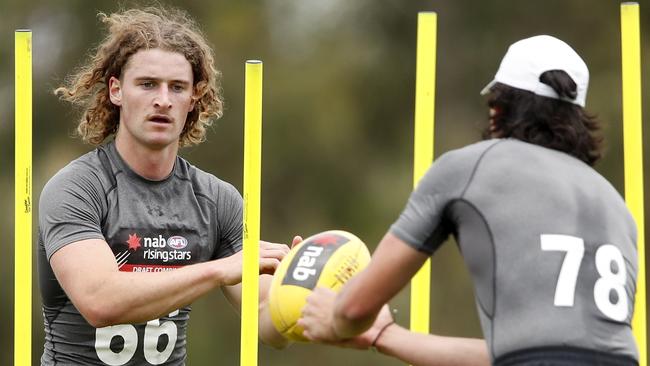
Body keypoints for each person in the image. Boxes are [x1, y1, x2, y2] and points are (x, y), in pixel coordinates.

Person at [299, 35, 639, 366]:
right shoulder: (615, 203)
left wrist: (333, 318)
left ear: (499, 108)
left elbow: (354, 310)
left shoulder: (468, 168)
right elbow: (517, 355)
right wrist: (385, 336)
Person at [37, 6, 294, 365]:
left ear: (193, 99)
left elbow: (267, 321)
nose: (163, 99)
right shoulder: (76, 188)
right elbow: (100, 301)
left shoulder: (217, 200)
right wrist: (219, 269)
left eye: (177, 87)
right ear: (116, 90)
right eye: (147, 84)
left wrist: (302, 292)